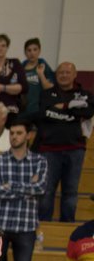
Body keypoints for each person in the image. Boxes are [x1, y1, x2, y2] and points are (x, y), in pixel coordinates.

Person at [0, 120, 48, 261]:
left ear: (28, 135)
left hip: (26, 226)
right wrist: (28, 186)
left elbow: (40, 188)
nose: (14, 136)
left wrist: (10, 185)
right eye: (12, 133)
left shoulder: (39, 161)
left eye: (19, 133)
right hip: (1, 225)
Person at [35, 62, 91, 223]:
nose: (64, 75)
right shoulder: (47, 94)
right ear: (56, 75)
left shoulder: (85, 95)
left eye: (67, 72)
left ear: (75, 74)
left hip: (76, 149)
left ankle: (67, 228)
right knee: (46, 191)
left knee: (71, 191)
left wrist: (64, 106)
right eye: (60, 72)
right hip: (49, 149)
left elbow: (88, 111)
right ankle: (43, 226)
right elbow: (44, 113)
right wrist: (74, 110)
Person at [21, 38, 55, 117]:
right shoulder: (21, 67)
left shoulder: (43, 66)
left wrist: (41, 74)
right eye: (29, 50)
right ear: (25, 52)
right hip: (23, 109)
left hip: (39, 109)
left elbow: (49, 88)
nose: (32, 53)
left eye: (35, 49)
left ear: (39, 51)